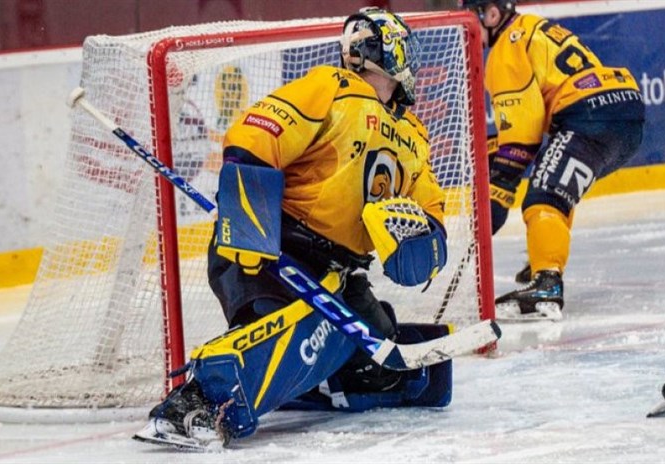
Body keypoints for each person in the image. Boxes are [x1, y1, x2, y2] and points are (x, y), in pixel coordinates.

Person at [134, 7, 452, 449]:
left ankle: (300, 386)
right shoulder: (331, 88)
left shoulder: (414, 134)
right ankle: (194, 404)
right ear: (388, 50)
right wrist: (250, 226)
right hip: (274, 250)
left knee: (385, 372)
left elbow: (429, 206)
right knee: (295, 334)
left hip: (339, 273)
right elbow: (252, 137)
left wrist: (427, 242)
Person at [460, 0, 645, 321]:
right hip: (625, 110)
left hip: (589, 116)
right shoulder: (531, 24)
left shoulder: (506, 49)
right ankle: (545, 258)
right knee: (556, 186)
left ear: (492, 15)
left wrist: (501, 187)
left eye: (471, 15)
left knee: (543, 198)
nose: (466, 26)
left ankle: (547, 282)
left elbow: (523, 131)